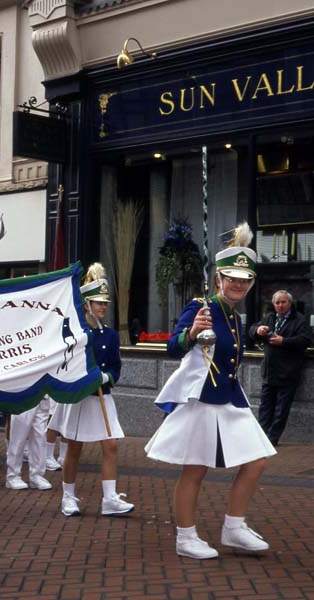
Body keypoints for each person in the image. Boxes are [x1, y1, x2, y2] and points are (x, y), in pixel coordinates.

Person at [145, 223, 276, 559]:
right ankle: (185, 538)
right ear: (219, 278)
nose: (238, 284)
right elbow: (173, 349)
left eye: (244, 280)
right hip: (202, 399)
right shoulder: (200, 307)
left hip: (230, 397)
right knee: (196, 468)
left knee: (256, 461)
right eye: (232, 277)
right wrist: (191, 333)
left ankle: (233, 527)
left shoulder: (235, 316)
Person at [49, 262, 134, 517]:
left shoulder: (110, 334)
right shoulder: (76, 332)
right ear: (86, 304)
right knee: (74, 447)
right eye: (98, 302)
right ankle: (68, 496)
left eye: (105, 303)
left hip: (103, 396)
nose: (103, 307)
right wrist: (85, 377)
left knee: (111, 445)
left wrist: (108, 376)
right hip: (80, 397)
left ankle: (109, 498)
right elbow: (65, 363)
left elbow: (116, 367)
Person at [248, 290, 312, 446]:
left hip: (288, 371)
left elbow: (305, 340)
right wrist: (257, 330)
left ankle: (272, 438)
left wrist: (284, 341)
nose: (280, 305)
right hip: (270, 371)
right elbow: (252, 330)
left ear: (290, 303)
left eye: (283, 302)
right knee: (265, 407)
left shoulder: (300, 320)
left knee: (281, 410)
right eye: (277, 303)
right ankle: (261, 436)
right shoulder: (270, 317)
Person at [5, 396, 52, 490]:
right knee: (18, 437)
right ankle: (13, 475)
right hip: (23, 393)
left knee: (40, 437)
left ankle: (37, 475)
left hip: (42, 394)